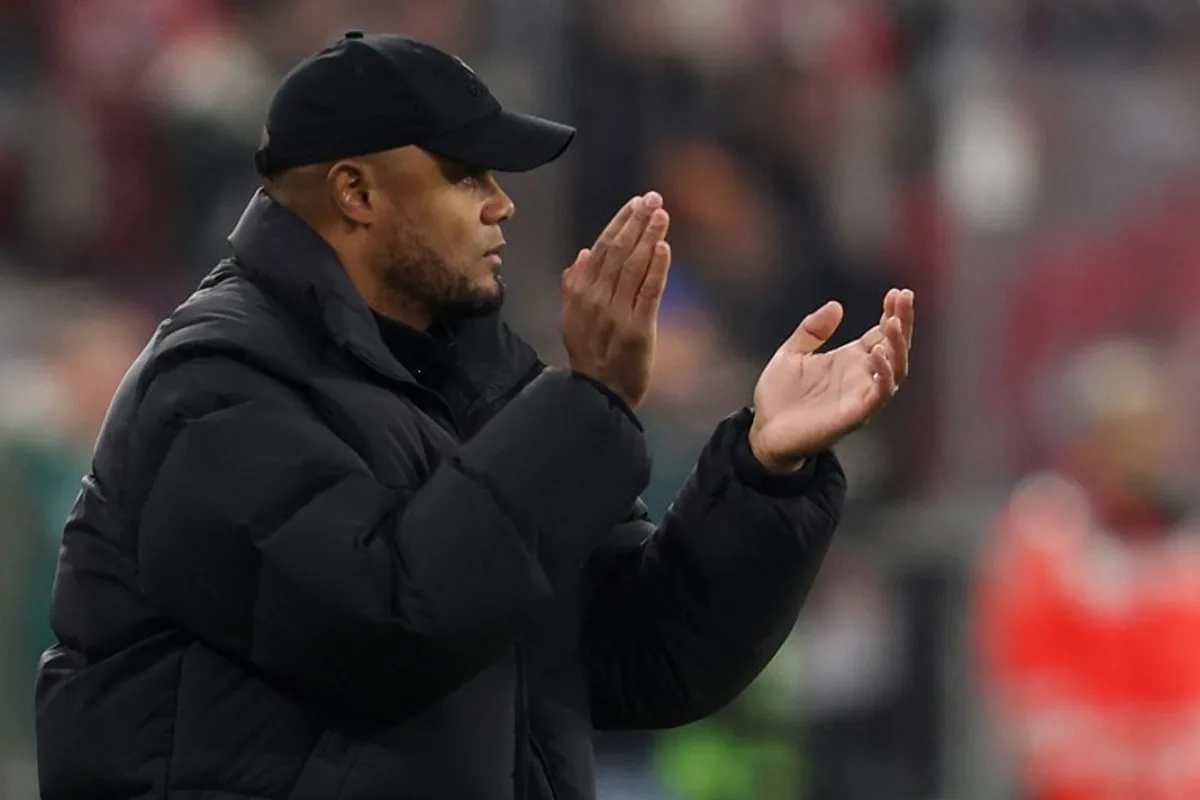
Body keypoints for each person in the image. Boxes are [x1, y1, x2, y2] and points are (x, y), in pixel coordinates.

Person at [34, 32, 915, 800]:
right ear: (356, 193)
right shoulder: (213, 386)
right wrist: (592, 398)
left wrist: (763, 470)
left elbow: (638, 655)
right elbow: (393, 622)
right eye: (464, 175)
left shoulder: (469, 374)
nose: (502, 202)